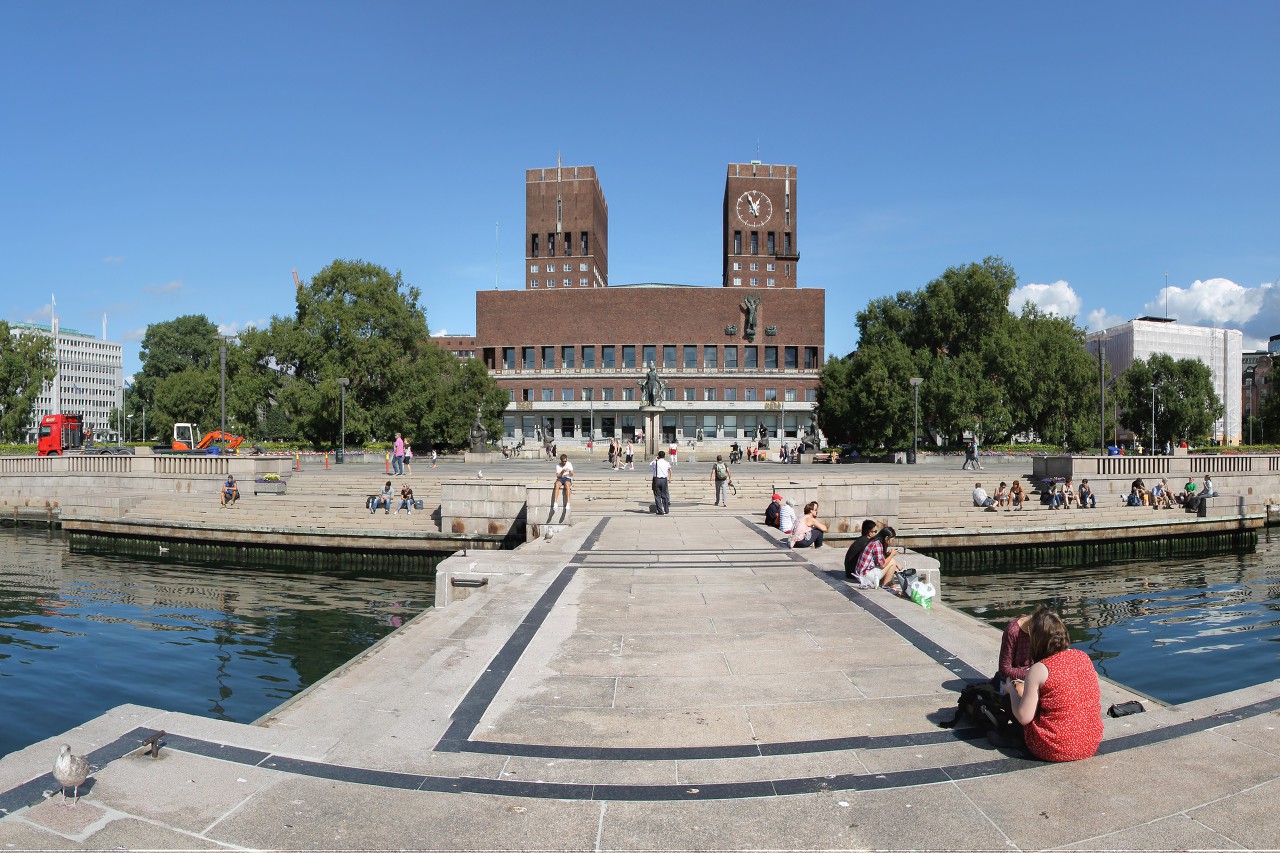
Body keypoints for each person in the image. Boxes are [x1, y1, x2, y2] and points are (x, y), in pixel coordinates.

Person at [1005, 608, 1104, 762]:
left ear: (1037, 640)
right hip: (1090, 744)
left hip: (1055, 748)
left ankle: (1012, 738)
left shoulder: (1040, 669)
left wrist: (1011, 690)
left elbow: (1024, 717)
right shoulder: (1083, 657)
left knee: (1015, 702)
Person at [853, 526, 902, 590]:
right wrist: (892, 555)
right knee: (892, 562)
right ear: (886, 538)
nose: (891, 542)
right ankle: (885, 586)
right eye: (891, 540)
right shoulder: (877, 544)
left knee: (891, 562)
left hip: (860, 574)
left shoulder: (874, 541)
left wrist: (887, 554)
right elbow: (883, 565)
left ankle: (890, 585)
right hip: (865, 576)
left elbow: (879, 559)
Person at [996, 613, 1033, 685]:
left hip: (1035, 673)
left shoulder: (1046, 634)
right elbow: (1004, 669)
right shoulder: (1013, 631)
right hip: (1017, 678)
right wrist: (1034, 675)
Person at [650, 450, 672, 515]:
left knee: (657, 496)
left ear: (658, 456)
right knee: (664, 495)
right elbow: (670, 469)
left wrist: (655, 459)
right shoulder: (667, 463)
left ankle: (660, 510)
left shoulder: (655, 462)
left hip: (656, 479)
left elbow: (650, 465)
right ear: (664, 456)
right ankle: (666, 509)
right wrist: (670, 478)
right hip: (664, 480)